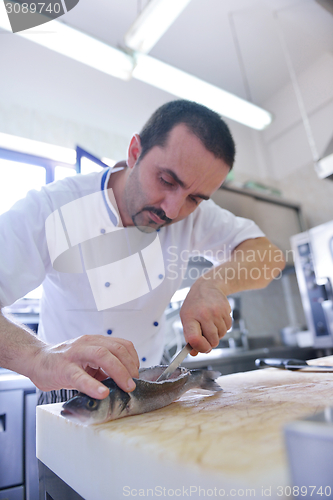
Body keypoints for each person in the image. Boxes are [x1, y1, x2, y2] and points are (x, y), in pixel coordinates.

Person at [0, 100, 285, 403]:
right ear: (135, 153)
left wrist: (213, 284)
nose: (173, 209)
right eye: (166, 180)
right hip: (69, 388)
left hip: (151, 384)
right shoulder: (53, 207)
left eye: (195, 198)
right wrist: (38, 356)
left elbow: (270, 257)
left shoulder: (195, 215)